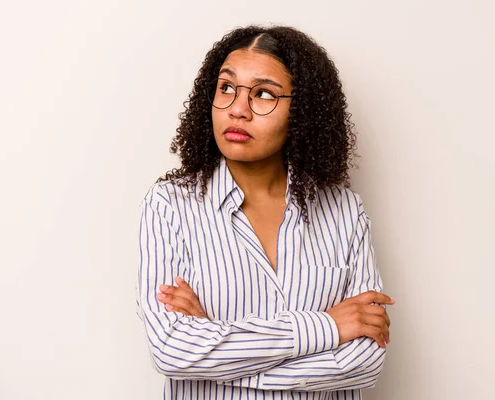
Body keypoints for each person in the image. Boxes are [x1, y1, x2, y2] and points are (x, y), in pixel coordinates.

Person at [137, 25, 394, 399]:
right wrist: (327, 327)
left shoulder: (344, 212)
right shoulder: (169, 206)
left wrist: (215, 349)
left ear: (302, 111)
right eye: (226, 88)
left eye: (263, 94)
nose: (237, 109)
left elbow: (365, 362)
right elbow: (172, 349)